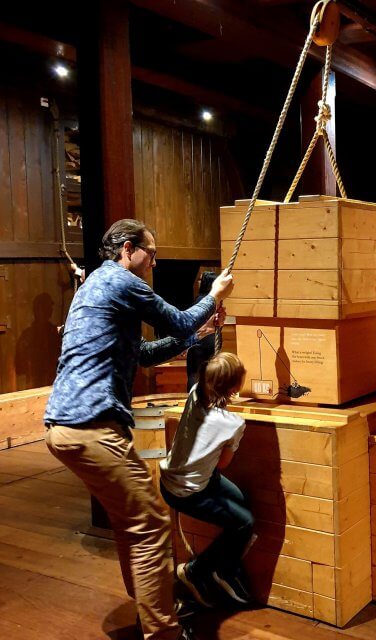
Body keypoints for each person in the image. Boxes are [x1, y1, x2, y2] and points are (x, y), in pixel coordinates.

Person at [44, 218, 234, 640]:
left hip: (65, 427)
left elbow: (144, 354)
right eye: (152, 253)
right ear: (128, 249)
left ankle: (152, 613)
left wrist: (197, 332)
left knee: (133, 522)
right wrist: (213, 296)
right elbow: (176, 321)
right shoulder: (120, 280)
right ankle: (162, 631)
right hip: (91, 426)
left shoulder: (95, 286)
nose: (154, 262)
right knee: (149, 523)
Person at [160, 351, 254, 607]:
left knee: (242, 500)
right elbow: (223, 464)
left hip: (170, 479)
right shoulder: (233, 423)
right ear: (235, 386)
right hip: (189, 491)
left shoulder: (194, 395)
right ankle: (198, 570)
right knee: (245, 523)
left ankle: (227, 566)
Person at [186, 271, 219, 391]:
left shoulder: (201, 300)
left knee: (194, 373)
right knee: (209, 372)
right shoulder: (215, 301)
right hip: (212, 340)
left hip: (200, 340)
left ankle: (193, 398)